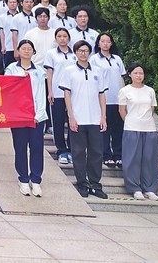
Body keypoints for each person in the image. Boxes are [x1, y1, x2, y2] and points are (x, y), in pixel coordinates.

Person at [60, 39, 108, 199]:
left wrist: (103, 116)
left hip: (95, 119)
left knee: (97, 153)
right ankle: (82, 183)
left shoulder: (97, 71)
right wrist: (71, 117)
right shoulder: (69, 71)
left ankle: (95, 184)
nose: (83, 53)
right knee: (79, 152)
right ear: (75, 52)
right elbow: (67, 94)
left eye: (86, 51)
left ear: (90, 52)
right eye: (80, 51)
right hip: (78, 119)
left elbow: (102, 94)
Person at [6, 39, 48, 196]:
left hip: (36, 116)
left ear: (33, 52)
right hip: (19, 116)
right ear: (18, 51)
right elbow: (8, 90)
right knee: (20, 147)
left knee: (36, 147)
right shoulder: (11, 69)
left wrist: (39, 114)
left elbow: (41, 94)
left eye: (29, 48)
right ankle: (23, 179)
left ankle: (36, 180)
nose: (26, 51)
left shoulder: (39, 71)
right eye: (23, 48)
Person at [119, 63, 158, 201]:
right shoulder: (125, 91)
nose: (138, 76)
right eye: (135, 73)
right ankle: (134, 188)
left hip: (149, 128)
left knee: (149, 158)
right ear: (130, 74)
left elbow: (152, 108)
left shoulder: (150, 91)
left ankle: (150, 188)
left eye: (141, 73)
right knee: (132, 159)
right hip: (132, 128)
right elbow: (122, 110)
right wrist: (130, 121)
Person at [91, 32, 126, 168]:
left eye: (108, 41)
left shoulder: (117, 59)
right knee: (104, 129)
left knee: (118, 129)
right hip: (103, 99)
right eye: (102, 41)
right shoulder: (94, 59)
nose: (105, 44)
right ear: (98, 43)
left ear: (111, 43)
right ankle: (106, 155)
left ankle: (118, 155)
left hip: (117, 99)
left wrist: (124, 96)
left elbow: (121, 78)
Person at [44, 28, 75, 165]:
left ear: (69, 38)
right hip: (57, 92)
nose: (62, 39)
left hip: (73, 94)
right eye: (59, 36)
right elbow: (49, 74)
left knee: (73, 121)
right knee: (58, 122)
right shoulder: (51, 54)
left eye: (65, 36)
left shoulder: (75, 54)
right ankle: (61, 150)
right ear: (56, 38)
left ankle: (71, 149)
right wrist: (50, 91)